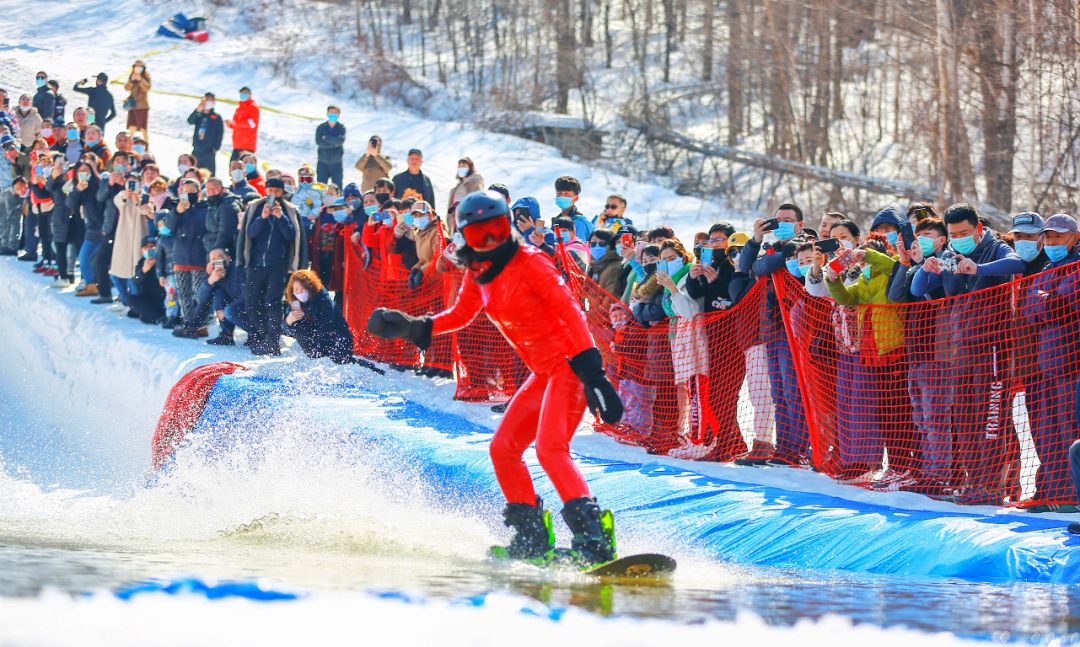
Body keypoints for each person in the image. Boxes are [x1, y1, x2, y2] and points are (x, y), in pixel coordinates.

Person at [367, 189, 623, 566]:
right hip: (543, 372)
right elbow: (461, 313)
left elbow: (572, 314)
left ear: (507, 227)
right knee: (503, 449)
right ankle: (533, 537)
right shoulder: (479, 270)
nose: (488, 241)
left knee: (550, 449)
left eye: (495, 230)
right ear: (466, 236)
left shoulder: (531, 262)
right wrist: (414, 327)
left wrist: (594, 374)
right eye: (478, 234)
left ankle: (595, 537)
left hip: (570, 367)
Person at [912, 203, 1025, 504]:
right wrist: (926, 268)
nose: (958, 238)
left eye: (964, 233)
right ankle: (974, 482)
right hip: (961, 348)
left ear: (977, 229)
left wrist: (979, 268)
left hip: (994, 347)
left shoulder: (994, 247)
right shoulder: (947, 253)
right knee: (963, 417)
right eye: (953, 234)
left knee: (990, 419)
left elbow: (1017, 264)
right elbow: (917, 288)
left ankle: (992, 486)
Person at [738, 203, 811, 465]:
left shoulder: (806, 245)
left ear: (800, 224)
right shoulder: (774, 247)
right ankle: (785, 447)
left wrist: (768, 260)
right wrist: (756, 239)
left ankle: (801, 447)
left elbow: (768, 264)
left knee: (793, 390)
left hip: (796, 327)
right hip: (771, 326)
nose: (781, 225)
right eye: (777, 221)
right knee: (778, 390)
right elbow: (749, 267)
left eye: (788, 220)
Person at [1021, 214, 1080, 508]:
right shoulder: (1044, 269)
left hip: (1072, 365)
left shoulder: (1076, 268)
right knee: (1046, 433)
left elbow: (1066, 306)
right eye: (1050, 237)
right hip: (1045, 364)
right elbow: (1031, 309)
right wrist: (1049, 301)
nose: (1053, 242)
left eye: (1059, 236)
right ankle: (1049, 491)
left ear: (1074, 237)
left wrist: (1049, 302)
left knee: (1071, 431)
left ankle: (1072, 495)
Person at [239, 177, 304, 356]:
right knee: (251, 301)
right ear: (265, 191)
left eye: (277, 191)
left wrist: (280, 217)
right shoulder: (256, 207)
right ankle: (264, 335)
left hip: (278, 265)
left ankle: (273, 341)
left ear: (282, 193)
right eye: (270, 191)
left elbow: (292, 235)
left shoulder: (288, 210)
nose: (273, 195)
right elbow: (250, 233)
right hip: (256, 264)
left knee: (272, 302)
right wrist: (263, 217)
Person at [165, 178, 210, 336]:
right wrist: (178, 211)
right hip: (181, 255)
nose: (188, 195)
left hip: (199, 256)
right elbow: (169, 227)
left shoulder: (206, 208)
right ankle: (189, 324)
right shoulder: (176, 208)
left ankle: (201, 324)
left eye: (191, 192)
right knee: (183, 293)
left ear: (198, 192)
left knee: (199, 292)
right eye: (185, 192)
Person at [282, 269, 355, 363]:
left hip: (336, 339)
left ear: (310, 287)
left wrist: (318, 352)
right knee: (296, 324)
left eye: (302, 289)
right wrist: (289, 321)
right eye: (296, 289)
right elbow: (285, 330)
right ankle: (313, 354)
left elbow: (326, 329)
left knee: (338, 352)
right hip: (316, 340)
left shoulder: (324, 301)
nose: (299, 292)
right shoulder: (295, 303)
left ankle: (322, 356)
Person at [109, 174, 150, 308]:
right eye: (130, 182)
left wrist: (137, 200)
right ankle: (125, 299)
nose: (132, 185)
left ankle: (134, 303)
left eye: (135, 182)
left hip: (140, 237)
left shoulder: (145, 196)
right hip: (123, 237)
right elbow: (118, 202)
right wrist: (126, 196)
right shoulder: (122, 194)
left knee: (135, 274)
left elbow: (146, 211)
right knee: (117, 271)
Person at [67, 161, 106, 296]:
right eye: (81, 171)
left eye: (87, 171)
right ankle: (91, 286)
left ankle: (97, 286)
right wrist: (78, 189)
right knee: (84, 258)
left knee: (88, 258)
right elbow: (70, 203)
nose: (84, 174)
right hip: (90, 229)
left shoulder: (99, 185)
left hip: (101, 229)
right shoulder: (81, 189)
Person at [187, 93, 223, 176]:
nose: (209, 102)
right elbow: (190, 121)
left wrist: (215, 148)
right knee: (193, 173)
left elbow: (220, 133)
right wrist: (198, 109)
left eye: (211, 100)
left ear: (214, 102)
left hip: (209, 151)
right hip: (196, 150)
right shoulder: (199, 114)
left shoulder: (216, 117)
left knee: (209, 175)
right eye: (207, 100)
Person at [446, 157, 484, 231]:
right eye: (459, 166)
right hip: (455, 223)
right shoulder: (457, 187)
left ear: (470, 168)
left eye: (463, 166)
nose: (461, 168)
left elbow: (477, 202)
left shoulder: (475, 182)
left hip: (468, 223)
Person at [585, 229, 626, 297]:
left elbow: (611, 298)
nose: (597, 247)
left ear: (611, 245)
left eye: (602, 244)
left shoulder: (614, 267)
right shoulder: (592, 267)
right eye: (593, 244)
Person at [554, 175, 593, 242]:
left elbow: (578, 249)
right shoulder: (557, 219)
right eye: (559, 193)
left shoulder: (578, 222)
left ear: (576, 198)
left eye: (566, 194)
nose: (562, 197)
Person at [314, 105, 346, 187]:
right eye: (331, 112)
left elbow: (340, 140)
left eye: (335, 113)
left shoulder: (341, 128)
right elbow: (318, 142)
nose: (333, 115)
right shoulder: (321, 127)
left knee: (337, 187)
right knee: (320, 187)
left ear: (338, 114)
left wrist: (326, 138)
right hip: (322, 162)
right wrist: (334, 144)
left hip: (336, 163)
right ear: (327, 113)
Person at [227, 87, 260, 160]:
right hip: (237, 145)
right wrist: (230, 124)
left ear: (250, 94)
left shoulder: (253, 107)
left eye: (245, 93)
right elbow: (236, 124)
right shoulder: (238, 109)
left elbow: (252, 124)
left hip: (247, 146)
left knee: (246, 170)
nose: (243, 95)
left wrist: (236, 123)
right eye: (241, 93)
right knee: (233, 169)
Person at [123, 61, 151, 140]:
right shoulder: (132, 76)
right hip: (133, 105)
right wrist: (131, 81)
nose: (138, 68)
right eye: (137, 66)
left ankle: (146, 146)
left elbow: (147, 88)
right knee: (132, 126)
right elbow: (126, 88)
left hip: (142, 106)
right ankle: (129, 144)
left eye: (140, 67)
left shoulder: (146, 76)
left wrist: (141, 80)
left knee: (143, 128)